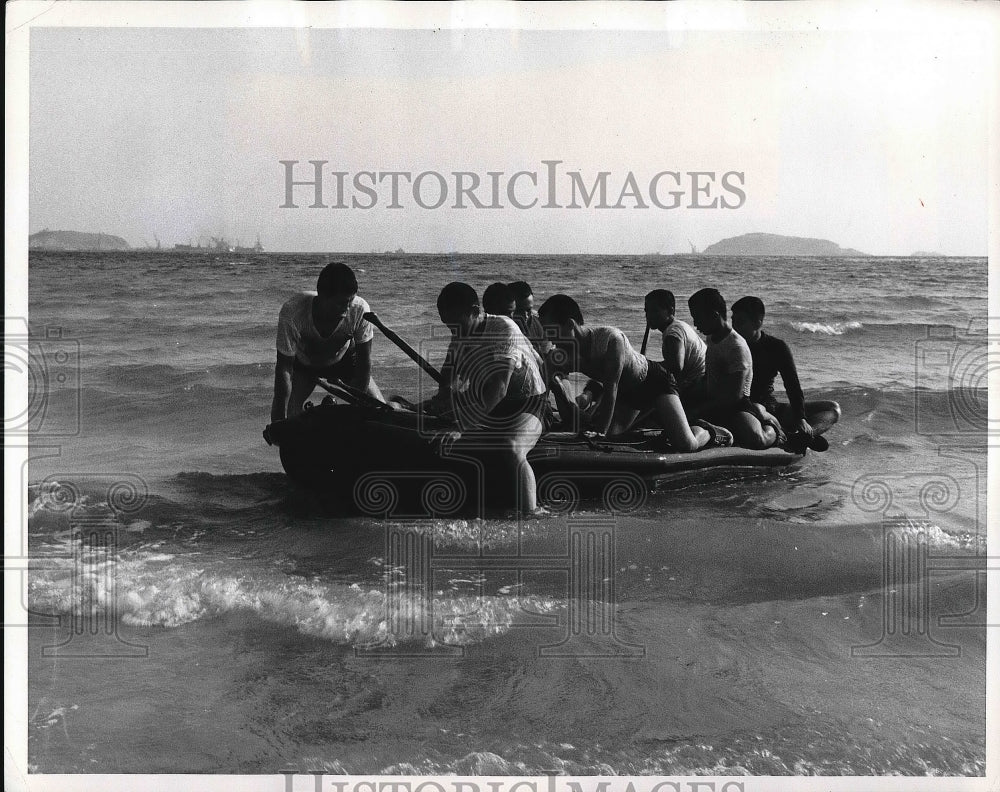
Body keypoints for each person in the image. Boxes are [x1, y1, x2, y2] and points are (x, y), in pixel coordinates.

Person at [537, 294, 730, 450]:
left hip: (655, 383)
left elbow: (611, 387)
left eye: (551, 332)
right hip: (628, 394)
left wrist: (600, 433)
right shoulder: (562, 353)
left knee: (687, 444)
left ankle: (711, 431)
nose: (550, 340)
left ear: (570, 326)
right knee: (614, 437)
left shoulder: (610, 339)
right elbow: (545, 383)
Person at [434, 282, 548, 515]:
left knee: (512, 447)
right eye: (448, 327)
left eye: (456, 325)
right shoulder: (461, 333)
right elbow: (448, 374)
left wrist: (461, 427)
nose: (454, 333)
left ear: (475, 311)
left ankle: (531, 515)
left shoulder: (503, 328)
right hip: (492, 402)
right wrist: (445, 395)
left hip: (528, 402)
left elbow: (500, 388)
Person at [270, 261, 384, 424]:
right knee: (291, 417)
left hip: (345, 361)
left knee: (380, 410)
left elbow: (364, 362)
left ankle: (397, 405)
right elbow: (284, 368)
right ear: (321, 296)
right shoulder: (293, 312)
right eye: (340, 303)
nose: (346, 310)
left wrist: (361, 408)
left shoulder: (360, 310)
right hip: (306, 366)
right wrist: (278, 421)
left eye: (350, 302)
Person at [731, 296, 839, 449]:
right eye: (733, 321)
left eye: (740, 322)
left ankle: (802, 437)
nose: (734, 327)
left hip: (770, 407)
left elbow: (792, 384)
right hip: (746, 409)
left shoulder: (776, 347)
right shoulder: (729, 346)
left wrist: (800, 418)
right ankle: (790, 438)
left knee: (832, 409)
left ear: (758, 322)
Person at [686, 288, 784, 450]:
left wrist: (699, 410)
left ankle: (774, 429)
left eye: (698, 319)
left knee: (756, 439)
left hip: (736, 406)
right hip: (714, 400)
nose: (696, 325)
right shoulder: (712, 337)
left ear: (714, 316)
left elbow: (734, 397)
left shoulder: (736, 346)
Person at [644, 289, 707, 405]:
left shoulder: (673, 333)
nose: (648, 316)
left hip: (696, 386)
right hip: (700, 382)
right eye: (646, 311)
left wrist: (647, 365)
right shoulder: (679, 326)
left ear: (670, 311)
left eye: (654, 311)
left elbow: (676, 366)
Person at [508, 281, 546, 349]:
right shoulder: (500, 331)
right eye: (519, 311)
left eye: (528, 310)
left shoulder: (536, 324)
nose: (525, 316)